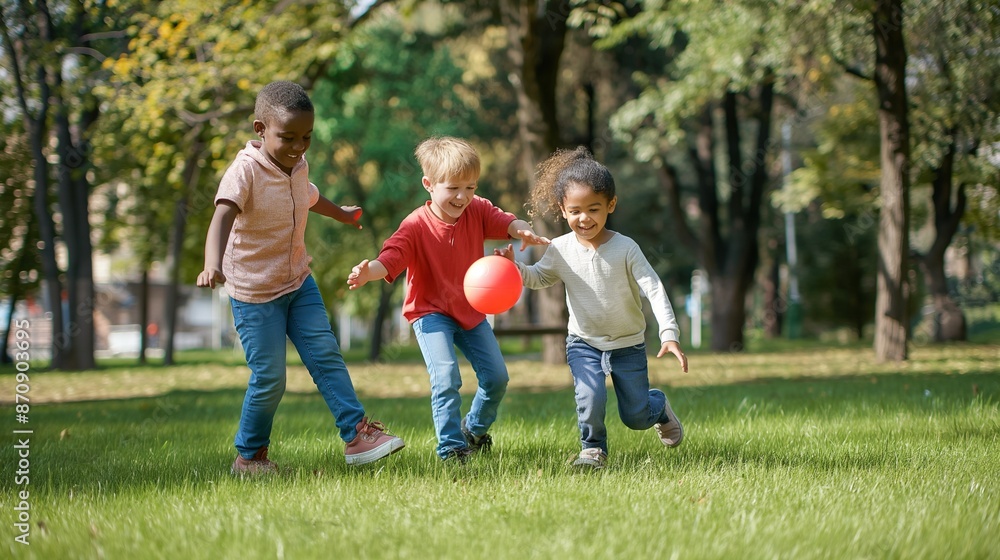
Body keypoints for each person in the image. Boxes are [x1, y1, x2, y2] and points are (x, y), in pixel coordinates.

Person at [197, 80, 404, 475]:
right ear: (260, 130)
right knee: (271, 377)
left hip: (297, 282)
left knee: (326, 353)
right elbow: (222, 214)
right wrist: (212, 264)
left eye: (306, 137)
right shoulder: (244, 171)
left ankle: (357, 435)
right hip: (254, 294)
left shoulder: (297, 165)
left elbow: (307, 194)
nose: (298, 146)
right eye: (287, 137)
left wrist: (342, 214)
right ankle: (250, 457)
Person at [346, 136, 550, 462]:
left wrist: (521, 229)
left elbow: (505, 220)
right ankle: (452, 449)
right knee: (446, 378)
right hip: (430, 312)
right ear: (428, 184)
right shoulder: (414, 226)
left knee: (497, 377)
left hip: (470, 309)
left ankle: (475, 429)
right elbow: (390, 260)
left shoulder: (477, 209)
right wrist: (366, 271)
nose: (463, 196)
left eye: (471, 187)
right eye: (453, 187)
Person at [496, 146, 688, 470]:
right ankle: (593, 449)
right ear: (562, 209)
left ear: (610, 205)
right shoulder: (560, 248)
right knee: (590, 398)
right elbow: (540, 278)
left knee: (636, 416)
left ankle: (659, 407)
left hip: (627, 344)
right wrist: (516, 269)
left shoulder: (626, 248)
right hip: (583, 342)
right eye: (575, 211)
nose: (584, 218)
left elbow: (653, 288)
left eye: (594, 209)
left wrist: (669, 333)